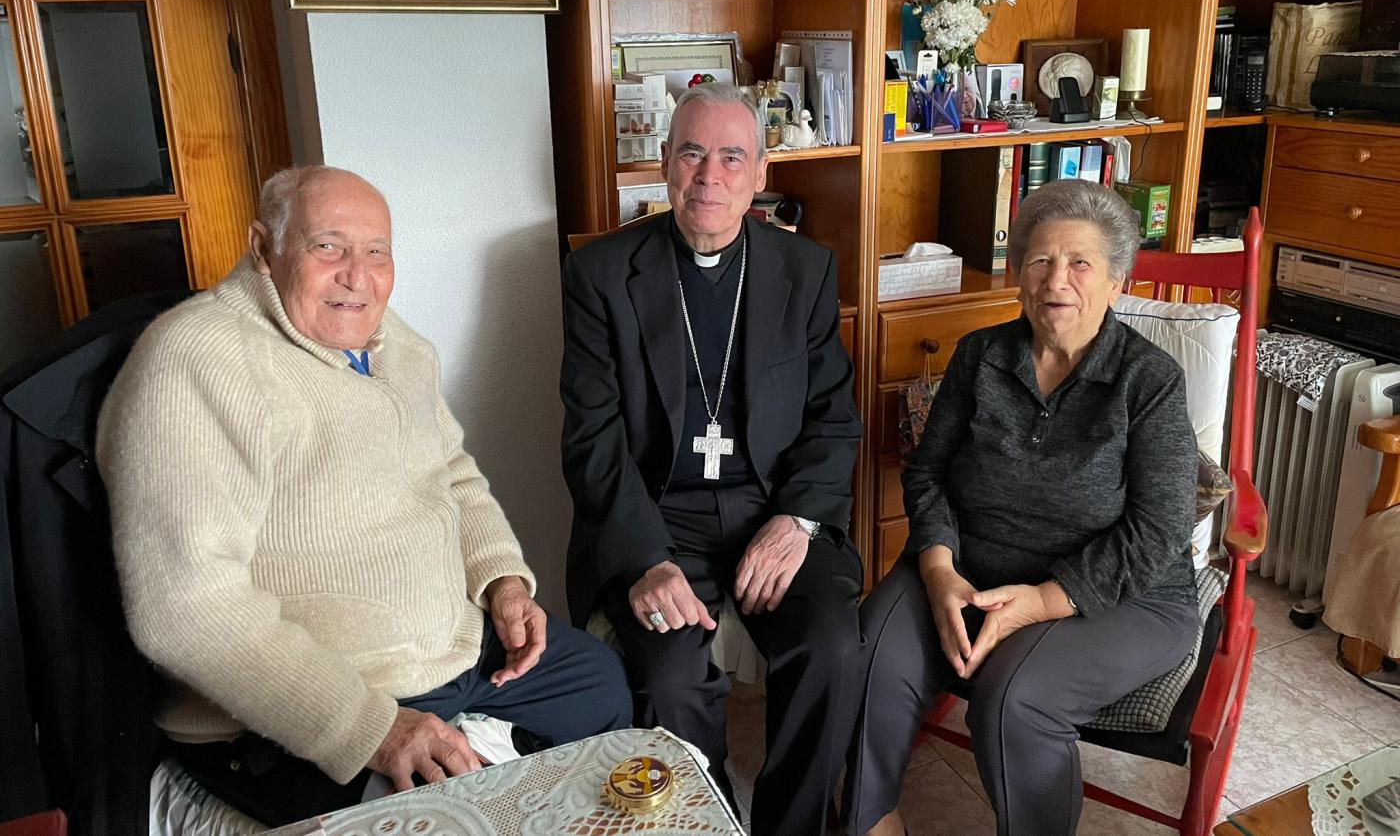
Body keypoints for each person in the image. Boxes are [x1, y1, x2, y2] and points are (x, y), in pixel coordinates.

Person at [97, 166, 630, 826]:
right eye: (328, 246)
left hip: (448, 650)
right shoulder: (197, 362)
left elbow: (453, 473)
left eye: (377, 250)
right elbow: (184, 611)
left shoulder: (390, 340)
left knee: (602, 687)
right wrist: (373, 730)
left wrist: (502, 583)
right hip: (325, 700)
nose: (359, 274)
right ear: (264, 249)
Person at [843, 179, 1201, 836]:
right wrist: (939, 570)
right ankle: (871, 820)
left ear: (1117, 282)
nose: (1055, 279)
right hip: (969, 564)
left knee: (1014, 699)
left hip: (1121, 594)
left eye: (1079, 262)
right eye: (1039, 260)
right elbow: (928, 473)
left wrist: (1038, 602)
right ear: (1018, 275)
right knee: (867, 651)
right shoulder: (981, 356)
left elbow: (1158, 532)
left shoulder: (1148, 381)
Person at [559, 82, 863, 836]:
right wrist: (643, 560)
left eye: (732, 157)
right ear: (664, 163)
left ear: (761, 172)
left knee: (831, 645)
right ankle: (708, 825)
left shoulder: (807, 269)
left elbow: (833, 420)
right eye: (692, 153)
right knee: (666, 679)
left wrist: (795, 521)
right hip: (658, 520)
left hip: (773, 509)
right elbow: (591, 439)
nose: (710, 176)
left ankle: (791, 829)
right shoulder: (602, 274)